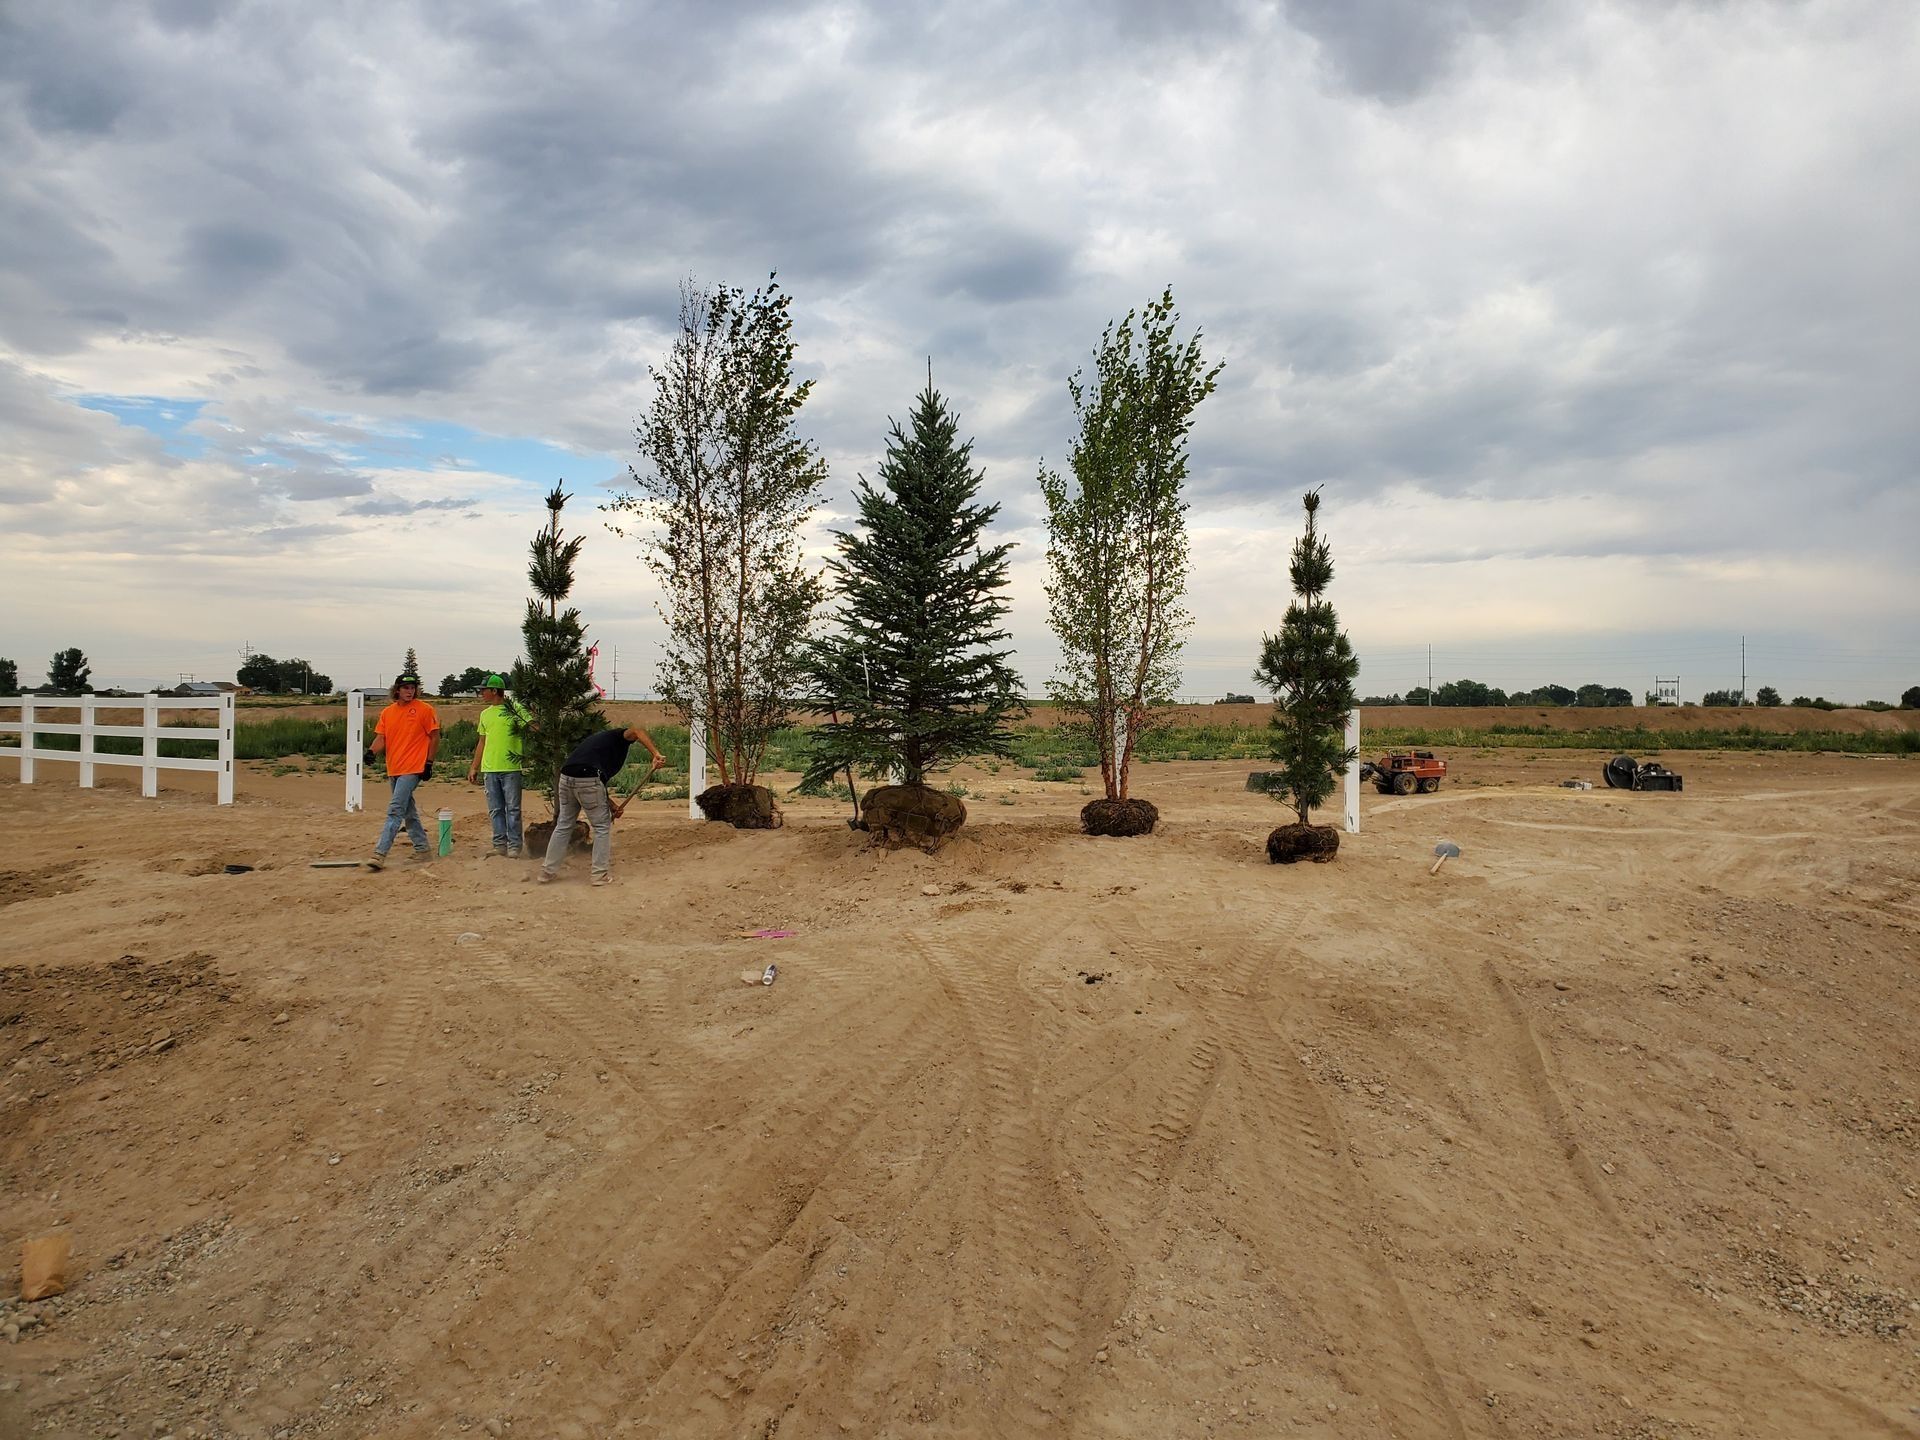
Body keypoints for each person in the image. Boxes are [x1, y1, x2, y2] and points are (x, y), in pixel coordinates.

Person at [539, 724, 664, 886]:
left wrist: (611, 805)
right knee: (602, 827)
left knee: (564, 825)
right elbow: (638, 729)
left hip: (566, 777)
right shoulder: (619, 736)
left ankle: (547, 872)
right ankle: (599, 875)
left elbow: (597, 784)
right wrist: (655, 754)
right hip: (588, 778)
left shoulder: (598, 745)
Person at [367, 672, 441, 870]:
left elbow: (434, 737)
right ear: (397, 689)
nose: (410, 691)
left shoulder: (424, 710)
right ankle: (423, 849)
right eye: (406, 688)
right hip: (394, 767)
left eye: (413, 687)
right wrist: (371, 752)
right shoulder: (387, 713)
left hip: (414, 767)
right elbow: (381, 737)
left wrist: (429, 763)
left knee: (395, 809)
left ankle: (380, 853)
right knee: (408, 811)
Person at [467, 674, 530, 857]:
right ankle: (499, 844)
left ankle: (514, 846)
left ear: (494, 691)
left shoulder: (515, 709)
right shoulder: (485, 714)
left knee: (513, 809)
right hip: (490, 769)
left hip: (511, 768)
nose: (481, 694)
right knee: (495, 809)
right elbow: (482, 742)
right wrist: (474, 766)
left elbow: (532, 727)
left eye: (483, 690)